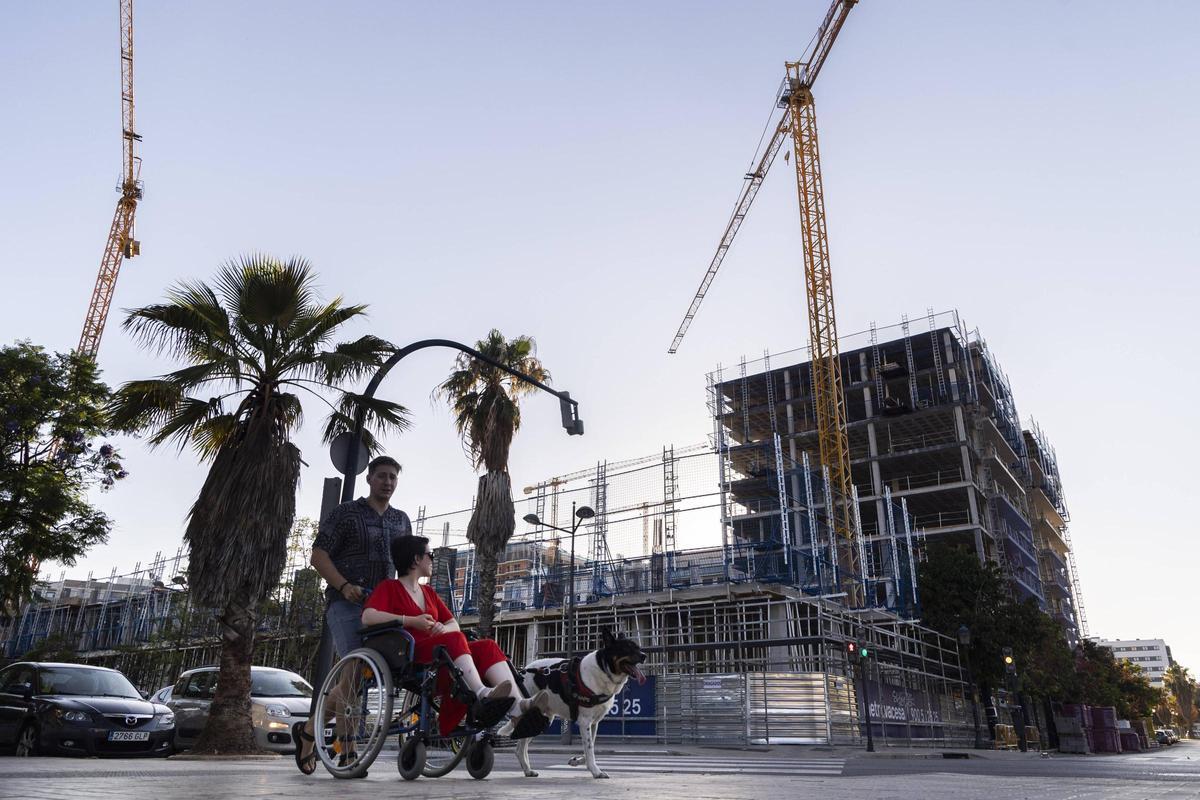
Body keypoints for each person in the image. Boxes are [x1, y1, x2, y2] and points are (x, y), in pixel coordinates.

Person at [292, 455, 411, 775]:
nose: (388, 482)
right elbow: (318, 555)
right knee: (355, 666)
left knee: (355, 677)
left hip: (382, 607)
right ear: (369, 478)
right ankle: (347, 751)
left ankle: (307, 733)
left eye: (393, 478)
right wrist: (343, 586)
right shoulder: (346, 514)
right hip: (345, 603)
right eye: (382, 476)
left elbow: (406, 568)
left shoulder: (401, 520)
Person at [363, 535, 550, 735]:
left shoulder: (429, 593)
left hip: (441, 655)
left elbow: (452, 623)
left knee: (487, 645)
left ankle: (518, 708)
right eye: (430, 555)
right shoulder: (389, 588)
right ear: (416, 559)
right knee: (456, 639)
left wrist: (444, 629)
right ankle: (481, 693)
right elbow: (368, 616)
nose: (432, 560)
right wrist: (410, 620)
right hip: (411, 654)